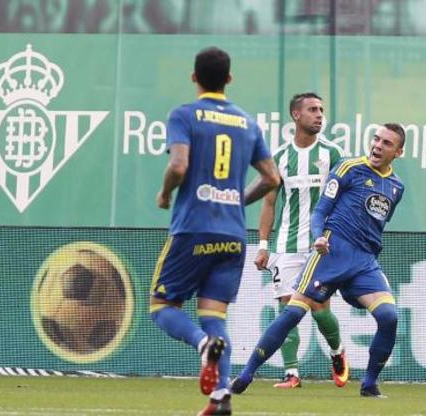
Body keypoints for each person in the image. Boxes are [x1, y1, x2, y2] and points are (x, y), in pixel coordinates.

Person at [149, 46, 280, 416]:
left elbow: (178, 164)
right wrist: (237, 201)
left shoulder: (184, 115)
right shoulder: (247, 122)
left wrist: (165, 192)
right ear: (229, 79)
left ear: (194, 77)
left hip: (193, 229)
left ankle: (201, 344)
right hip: (233, 236)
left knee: (162, 305)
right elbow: (272, 178)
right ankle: (221, 395)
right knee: (214, 316)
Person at [231, 123, 406, 398]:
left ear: (398, 152)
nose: (377, 145)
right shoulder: (349, 169)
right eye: (376, 139)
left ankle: (369, 385)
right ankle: (246, 374)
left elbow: (376, 225)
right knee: (292, 312)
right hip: (329, 253)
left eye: (386, 143)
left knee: (389, 316)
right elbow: (320, 210)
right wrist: (318, 237)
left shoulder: (396, 186)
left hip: (363, 263)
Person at [253, 92, 348, 389]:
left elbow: (343, 200)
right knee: (286, 310)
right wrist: (263, 245)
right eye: (312, 110)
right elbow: (269, 203)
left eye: (321, 109)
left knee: (320, 309)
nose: (319, 114)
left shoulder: (332, 154)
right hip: (285, 244)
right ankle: (291, 373)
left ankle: (337, 352)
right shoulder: (279, 157)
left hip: (320, 245)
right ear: (296, 115)